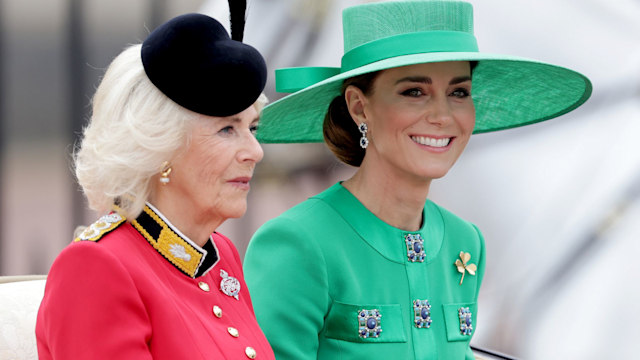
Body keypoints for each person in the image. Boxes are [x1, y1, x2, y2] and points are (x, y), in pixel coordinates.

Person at [243, 1, 591, 359]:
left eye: (458, 92)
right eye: (414, 92)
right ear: (359, 106)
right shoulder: (297, 244)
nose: (442, 115)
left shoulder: (465, 241)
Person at [36, 9, 275, 360]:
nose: (255, 152)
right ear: (161, 146)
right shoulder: (95, 268)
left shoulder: (220, 254)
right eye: (227, 129)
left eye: (251, 128)